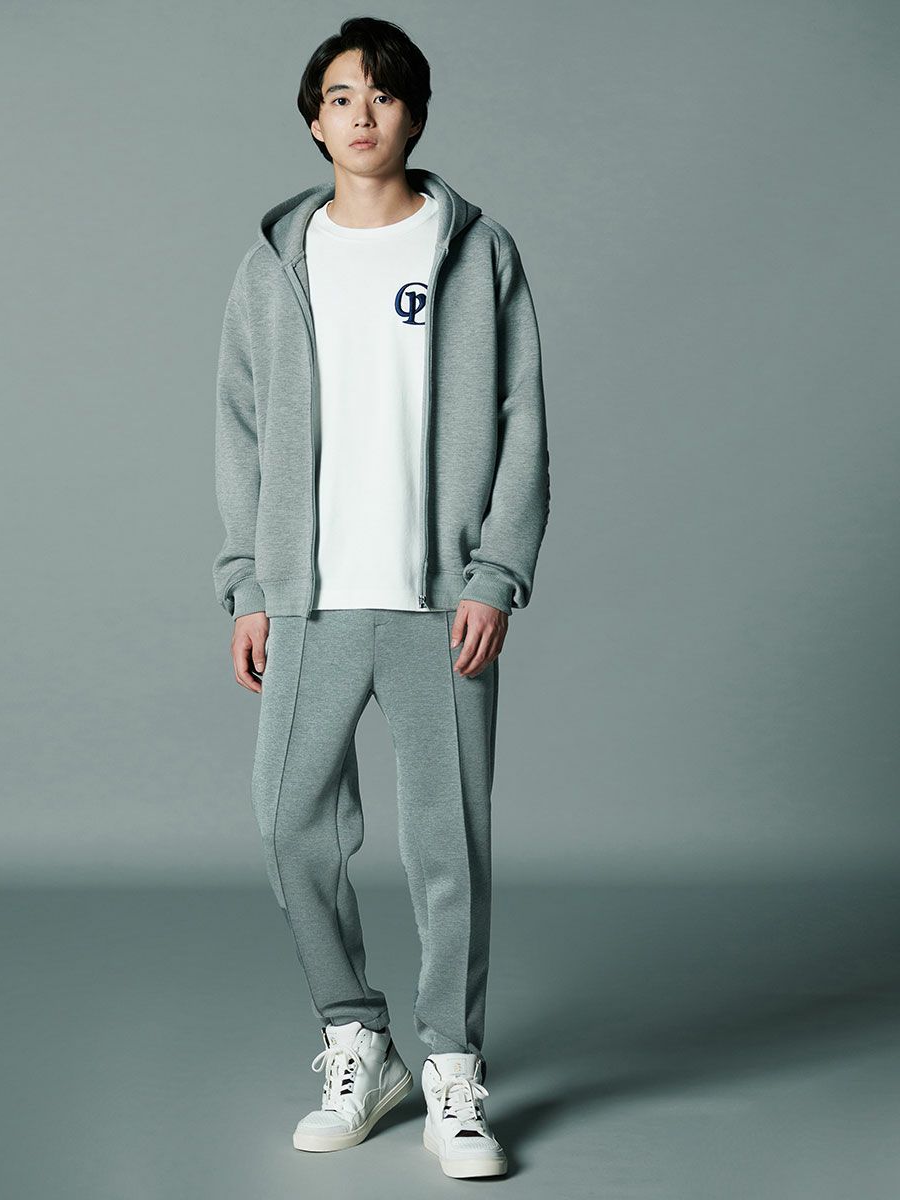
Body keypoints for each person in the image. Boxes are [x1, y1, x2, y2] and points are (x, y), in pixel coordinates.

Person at [212, 16, 550, 1181]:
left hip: (436, 605)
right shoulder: (275, 265)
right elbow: (241, 431)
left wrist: (495, 572)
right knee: (286, 823)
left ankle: (452, 1067)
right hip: (309, 604)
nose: (362, 114)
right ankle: (358, 1036)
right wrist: (247, 583)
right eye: (341, 96)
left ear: (415, 113)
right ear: (315, 121)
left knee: (448, 846)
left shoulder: (475, 251)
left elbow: (520, 419)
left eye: (384, 94)